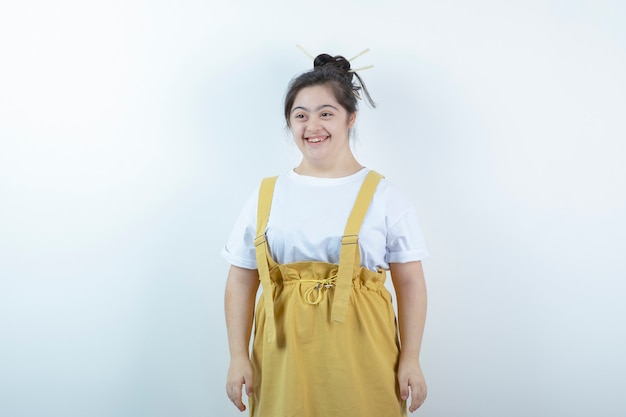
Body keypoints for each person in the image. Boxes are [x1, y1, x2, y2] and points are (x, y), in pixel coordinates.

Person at [222, 50, 429, 417]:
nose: (312, 125)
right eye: (300, 115)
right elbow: (241, 277)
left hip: (365, 355)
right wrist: (238, 355)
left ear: (351, 118)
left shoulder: (384, 195)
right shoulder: (267, 193)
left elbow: (410, 281)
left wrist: (411, 357)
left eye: (326, 113)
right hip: (281, 356)